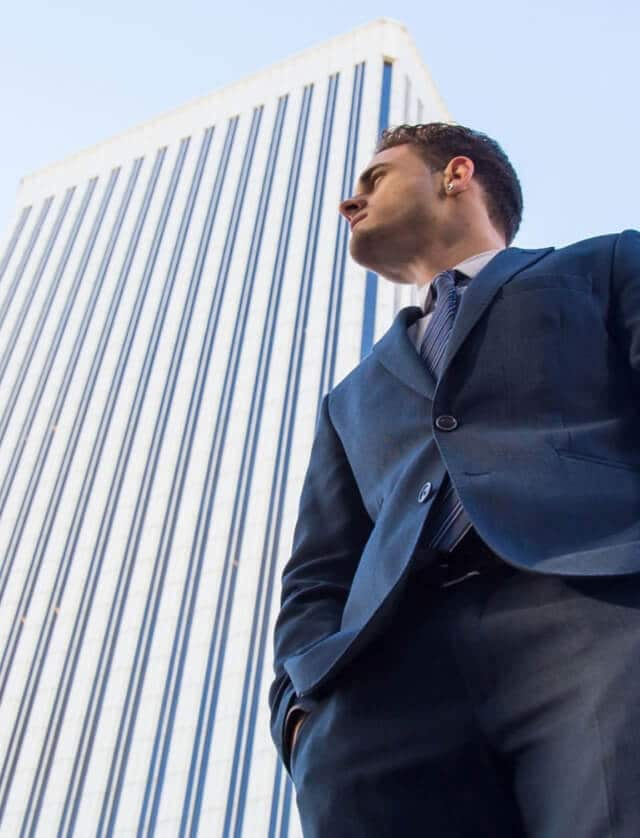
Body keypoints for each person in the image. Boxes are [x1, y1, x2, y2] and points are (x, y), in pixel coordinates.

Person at [268, 122, 640, 837]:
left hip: (599, 617)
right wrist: (301, 708)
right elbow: (317, 573)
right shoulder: (350, 397)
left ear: (455, 174)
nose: (350, 202)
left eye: (374, 177)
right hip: (386, 680)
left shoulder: (608, 264)